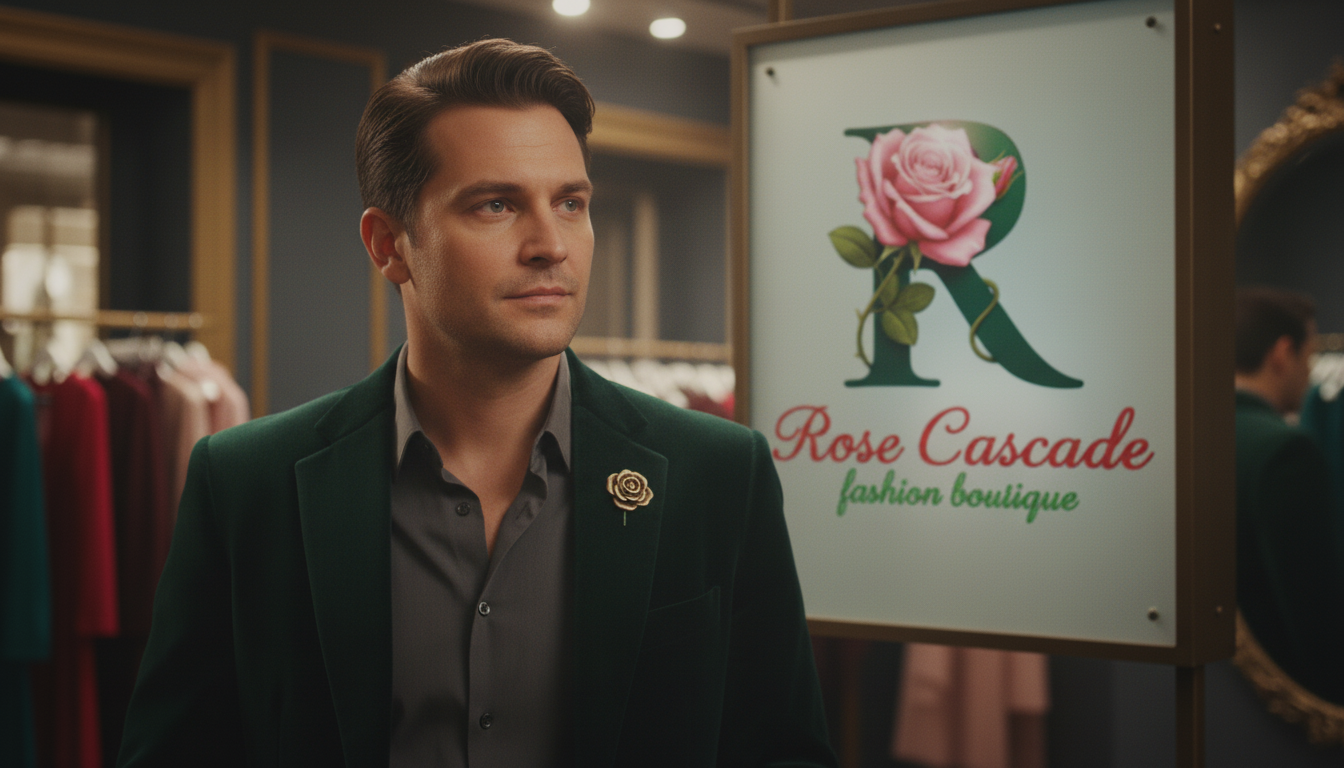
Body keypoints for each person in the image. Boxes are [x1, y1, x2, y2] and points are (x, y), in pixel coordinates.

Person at [116, 39, 835, 767]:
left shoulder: (716, 474)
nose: (551, 244)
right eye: (496, 205)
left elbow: (781, 749)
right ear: (389, 245)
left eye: (571, 203)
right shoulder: (247, 483)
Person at [1233, 286, 1344, 703]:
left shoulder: (1184, 437)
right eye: (1310, 356)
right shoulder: (1285, 450)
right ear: (1282, 353)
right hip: (1275, 701)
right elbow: (1314, 613)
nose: (1311, 372)